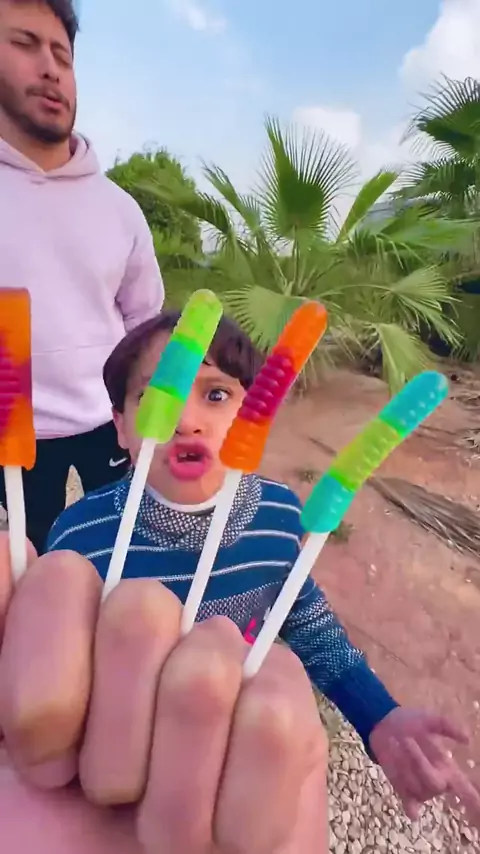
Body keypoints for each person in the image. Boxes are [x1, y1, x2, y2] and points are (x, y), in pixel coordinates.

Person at [46, 309, 480, 824]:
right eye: (157, 396)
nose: (187, 420)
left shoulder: (278, 516)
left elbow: (304, 616)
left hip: (226, 747)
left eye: (215, 395)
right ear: (119, 426)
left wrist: (378, 715)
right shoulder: (79, 537)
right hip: (114, 752)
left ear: (255, 413)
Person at [0, 535, 329, 853]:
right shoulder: (82, 528)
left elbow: (304, 607)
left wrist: (367, 707)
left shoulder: (278, 525)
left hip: (221, 734)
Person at [0, 0, 164, 554]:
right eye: (24, 44)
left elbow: (145, 320)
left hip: (108, 423)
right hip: (12, 437)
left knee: (122, 555)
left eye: (62, 56)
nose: (50, 68)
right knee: (33, 562)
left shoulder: (119, 209)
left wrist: (142, 413)